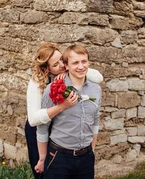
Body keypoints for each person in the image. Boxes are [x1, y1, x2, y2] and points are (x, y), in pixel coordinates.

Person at [26, 43, 102, 179]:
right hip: (39, 121)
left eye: (62, 60)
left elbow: (97, 77)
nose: (61, 65)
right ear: (47, 69)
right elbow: (34, 120)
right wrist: (62, 106)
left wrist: (74, 67)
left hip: (71, 135)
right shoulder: (37, 83)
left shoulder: (83, 80)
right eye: (56, 64)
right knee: (42, 170)